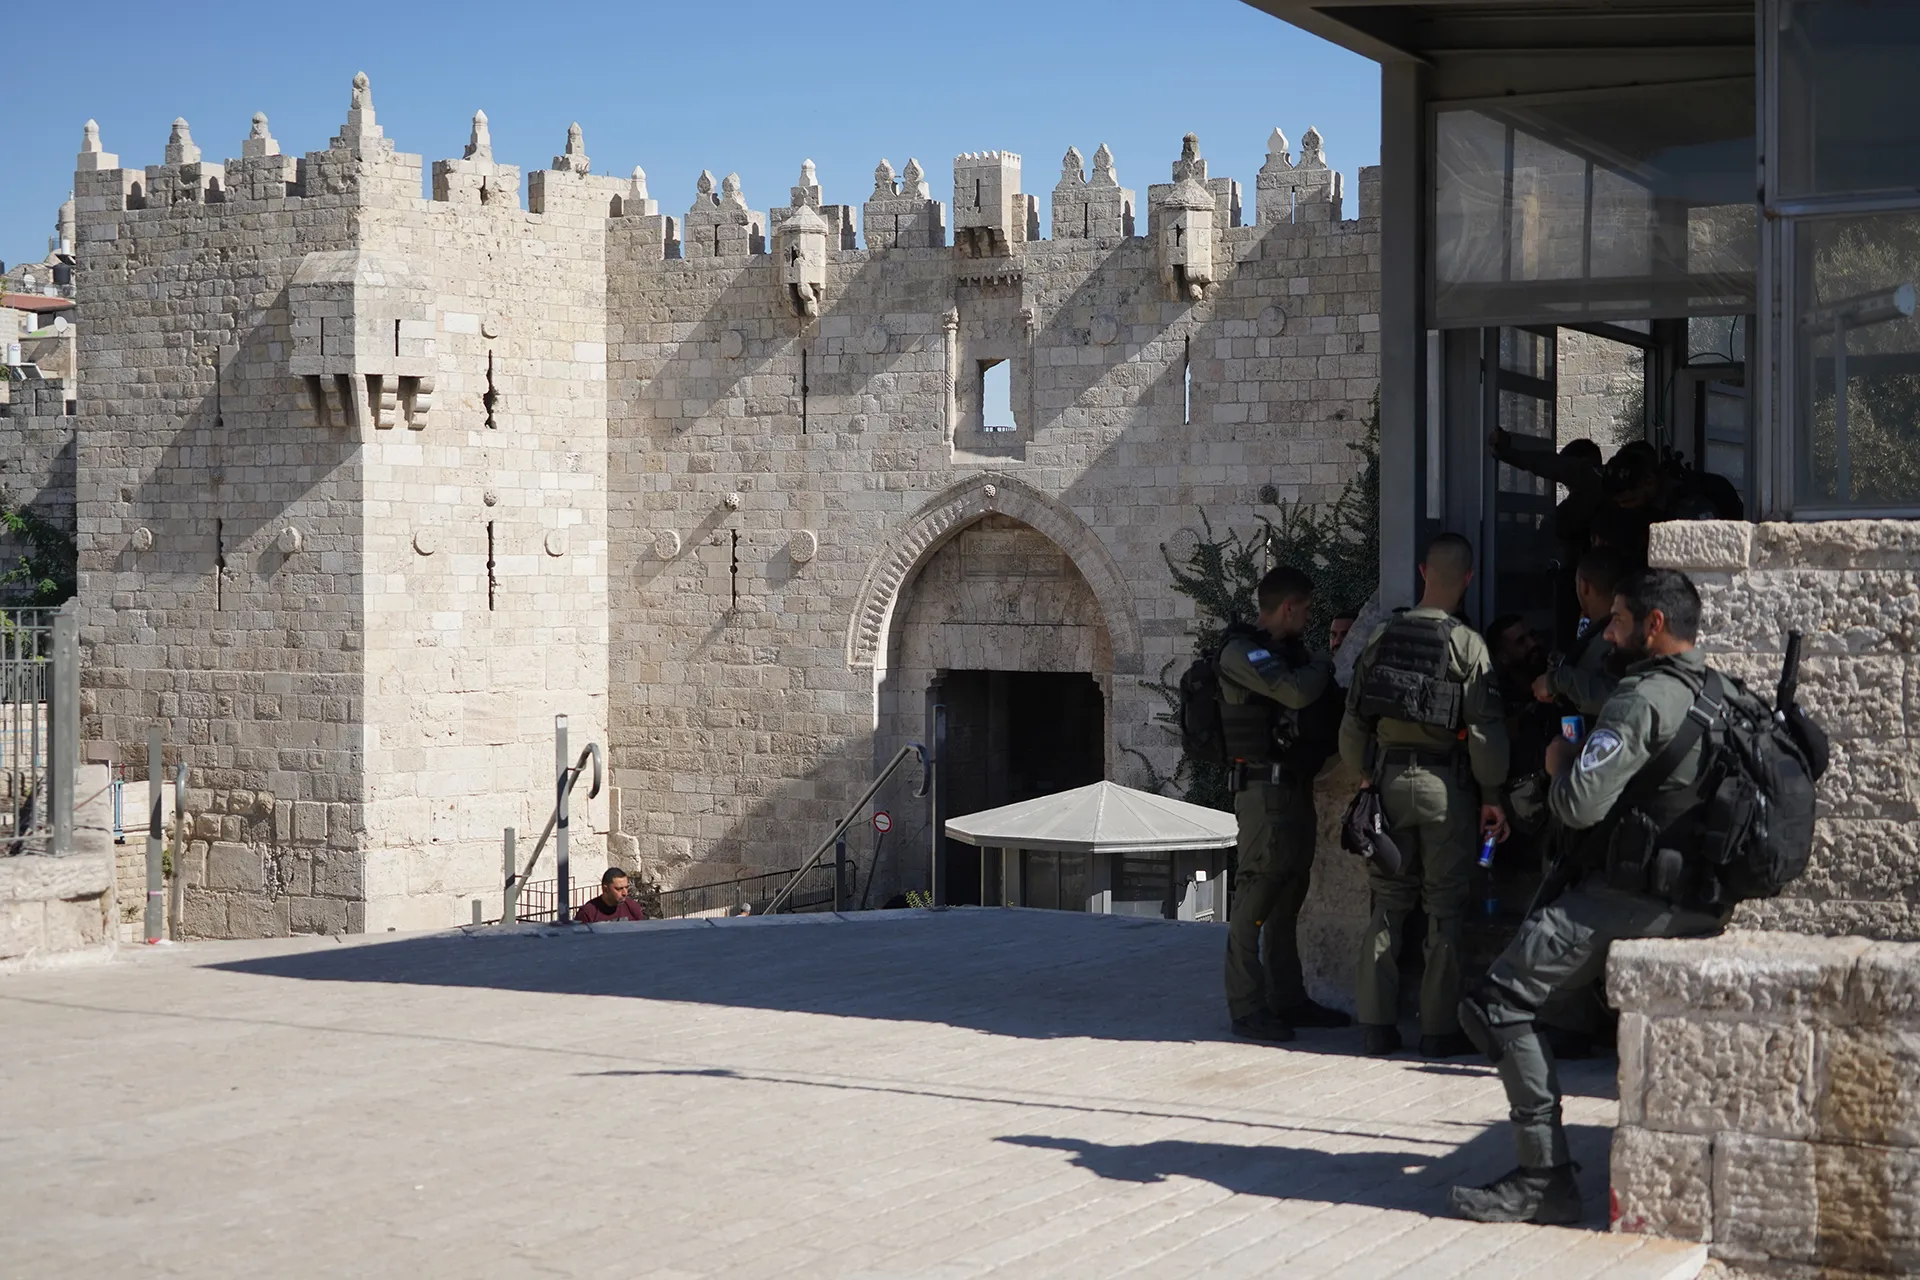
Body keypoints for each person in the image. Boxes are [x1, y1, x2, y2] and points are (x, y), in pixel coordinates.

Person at [1450, 569, 1732, 1225]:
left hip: (1641, 894)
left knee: (1495, 1003)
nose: (1609, 633)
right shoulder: (1718, 691)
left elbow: (1577, 806)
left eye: (1619, 621)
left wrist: (1558, 767)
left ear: (1654, 626)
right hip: (1699, 894)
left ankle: (1543, 1177)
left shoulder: (1643, 698)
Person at [1339, 533, 1510, 1058]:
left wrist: (1364, 777)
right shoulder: (1467, 646)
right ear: (1469, 579)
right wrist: (1492, 796)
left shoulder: (1381, 636)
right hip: (1446, 791)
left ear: (1421, 573)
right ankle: (1437, 1032)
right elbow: (1484, 732)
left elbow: (1354, 721)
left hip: (1387, 786)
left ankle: (1375, 1027)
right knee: (1444, 912)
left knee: (1388, 905)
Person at [1218, 566, 1349, 1042]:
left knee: (1289, 895)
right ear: (1288, 607)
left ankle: (1287, 998)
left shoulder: (1285, 654)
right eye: (1307, 609)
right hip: (1262, 793)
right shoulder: (1241, 652)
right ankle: (1246, 1005)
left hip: (1292, 787)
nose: (1310, 618)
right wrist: (1324, 662)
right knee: (1256, 896)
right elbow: (1294, 691)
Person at [1532, 546, 1626, 717]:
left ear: (1584, 587)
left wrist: (1557, 681)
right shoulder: (1599, 629)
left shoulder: (1621, 636)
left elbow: (1615, 696)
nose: (1609, 633)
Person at [575, 867, 648, 923]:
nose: (625, 893)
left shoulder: (632, 907)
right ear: (605, 889)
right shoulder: (588, 913)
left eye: (626, 887)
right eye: (619, 889)